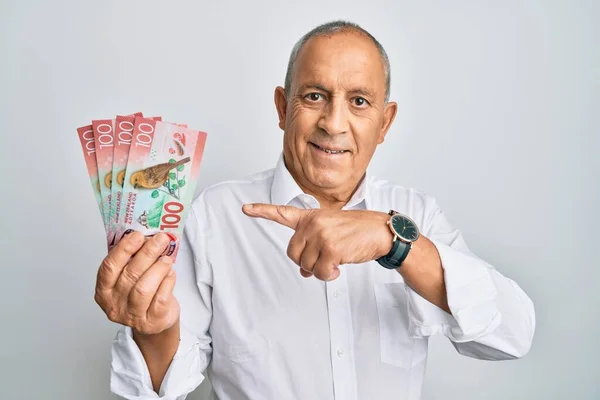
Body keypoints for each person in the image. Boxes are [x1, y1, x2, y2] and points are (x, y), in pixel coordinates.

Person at [95, 20, 535, 400]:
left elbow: (512, 335)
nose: (334, 123)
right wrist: (152, 330)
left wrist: (394, 241)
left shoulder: (414, 212)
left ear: (385, 122)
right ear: (283, 108)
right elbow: (157, 389)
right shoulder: (217, 215)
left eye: (359, 101)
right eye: (315, 96)